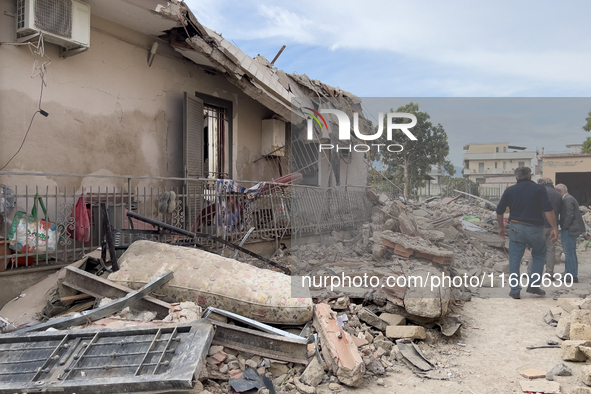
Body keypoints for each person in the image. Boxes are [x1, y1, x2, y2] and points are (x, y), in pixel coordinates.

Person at [496, 167, 558, 299]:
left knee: (514, 259)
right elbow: (548, 209)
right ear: (530, 177)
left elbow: (499, 210)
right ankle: (534, 285)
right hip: (535, 229)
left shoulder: (510, 190)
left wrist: (501, 227)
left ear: (516, 178)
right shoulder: (539, 189)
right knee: (539, 254)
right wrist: (554, 228)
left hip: (516, 228)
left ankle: (515, 290)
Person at [527, 178, 562, 277]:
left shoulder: (539, 192)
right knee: (551, 250)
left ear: (541, 184)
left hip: (539, 225)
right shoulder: (558, 195)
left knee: (536, 249)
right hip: (552, 226)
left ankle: (530, 272)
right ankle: (549, 273)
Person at [554, 184, 589, 283]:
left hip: (569, 230)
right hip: (571, 229)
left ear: (559, 191)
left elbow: (569, 215)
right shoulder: (569, 198)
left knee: (569, 253)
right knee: (570, 253)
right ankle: (569, 273)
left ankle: (572, 276)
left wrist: (564, 227)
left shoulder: (567, 199)